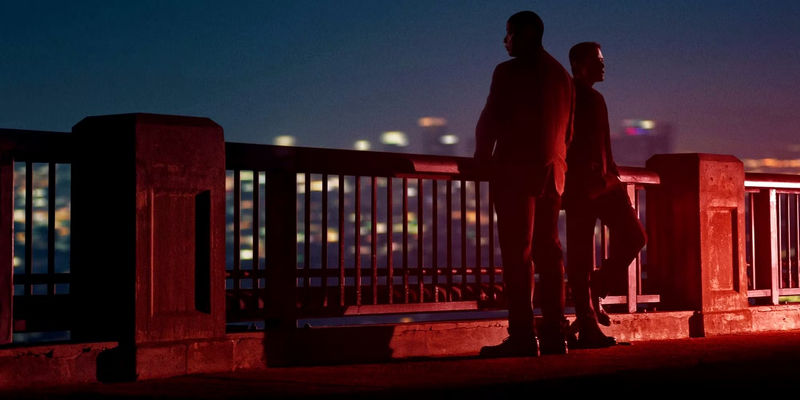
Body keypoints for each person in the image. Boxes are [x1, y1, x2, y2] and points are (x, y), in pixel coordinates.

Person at [475, 10, 574, 357]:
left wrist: (481, 158)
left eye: (509, 34)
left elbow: (491, 118)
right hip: (554, 174)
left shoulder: (508, 72)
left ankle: (521, 335)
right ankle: (554, 335)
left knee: (519, 255)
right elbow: (569, 134)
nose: (505, 41)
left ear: (525, 35)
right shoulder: (563, 76)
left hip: (517, 171)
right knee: (550, 255)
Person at [563, 42, 646, 348]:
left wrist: (612, 176)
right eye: (597, 60)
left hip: (604, 183)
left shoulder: (594, 98)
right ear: (578, 63)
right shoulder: (572, 97)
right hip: (582, 187)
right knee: (582, 255)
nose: (603, 65)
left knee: (635, 238)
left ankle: (595, 291)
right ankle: (587, 324)